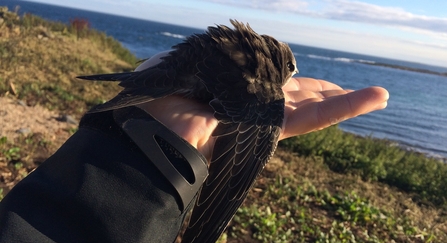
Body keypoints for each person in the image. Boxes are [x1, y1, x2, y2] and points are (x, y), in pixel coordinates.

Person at [0, 52, 389, 243]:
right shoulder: (263, 84)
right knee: (262, 125)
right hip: (183, 82)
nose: (291, 77)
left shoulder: (249, 62)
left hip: (175, 73)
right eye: (290, 72)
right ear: (280, 65)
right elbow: (245, 140)